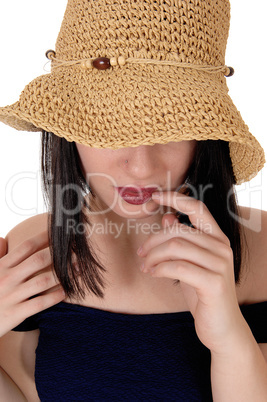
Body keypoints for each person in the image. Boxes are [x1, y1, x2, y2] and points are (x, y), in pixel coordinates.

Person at [0, 0, 267, 400]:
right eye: (112, 126)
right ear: (67, 127)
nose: (141, 167)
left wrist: (229, 337)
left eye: (174, 126)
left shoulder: (259, 250)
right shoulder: (32, 250)